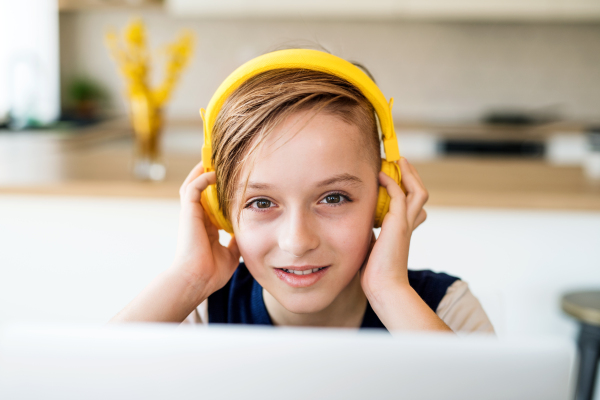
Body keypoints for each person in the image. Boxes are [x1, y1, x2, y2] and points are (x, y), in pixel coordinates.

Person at [110, 49, 494, 334]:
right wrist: (189, 280)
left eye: (333, 198)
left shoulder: (446, 309)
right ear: (221, 211)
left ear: (384, 201)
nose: (297, 241)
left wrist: (387, 291)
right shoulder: (200, 312)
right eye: (261, 202)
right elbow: (90, 381)